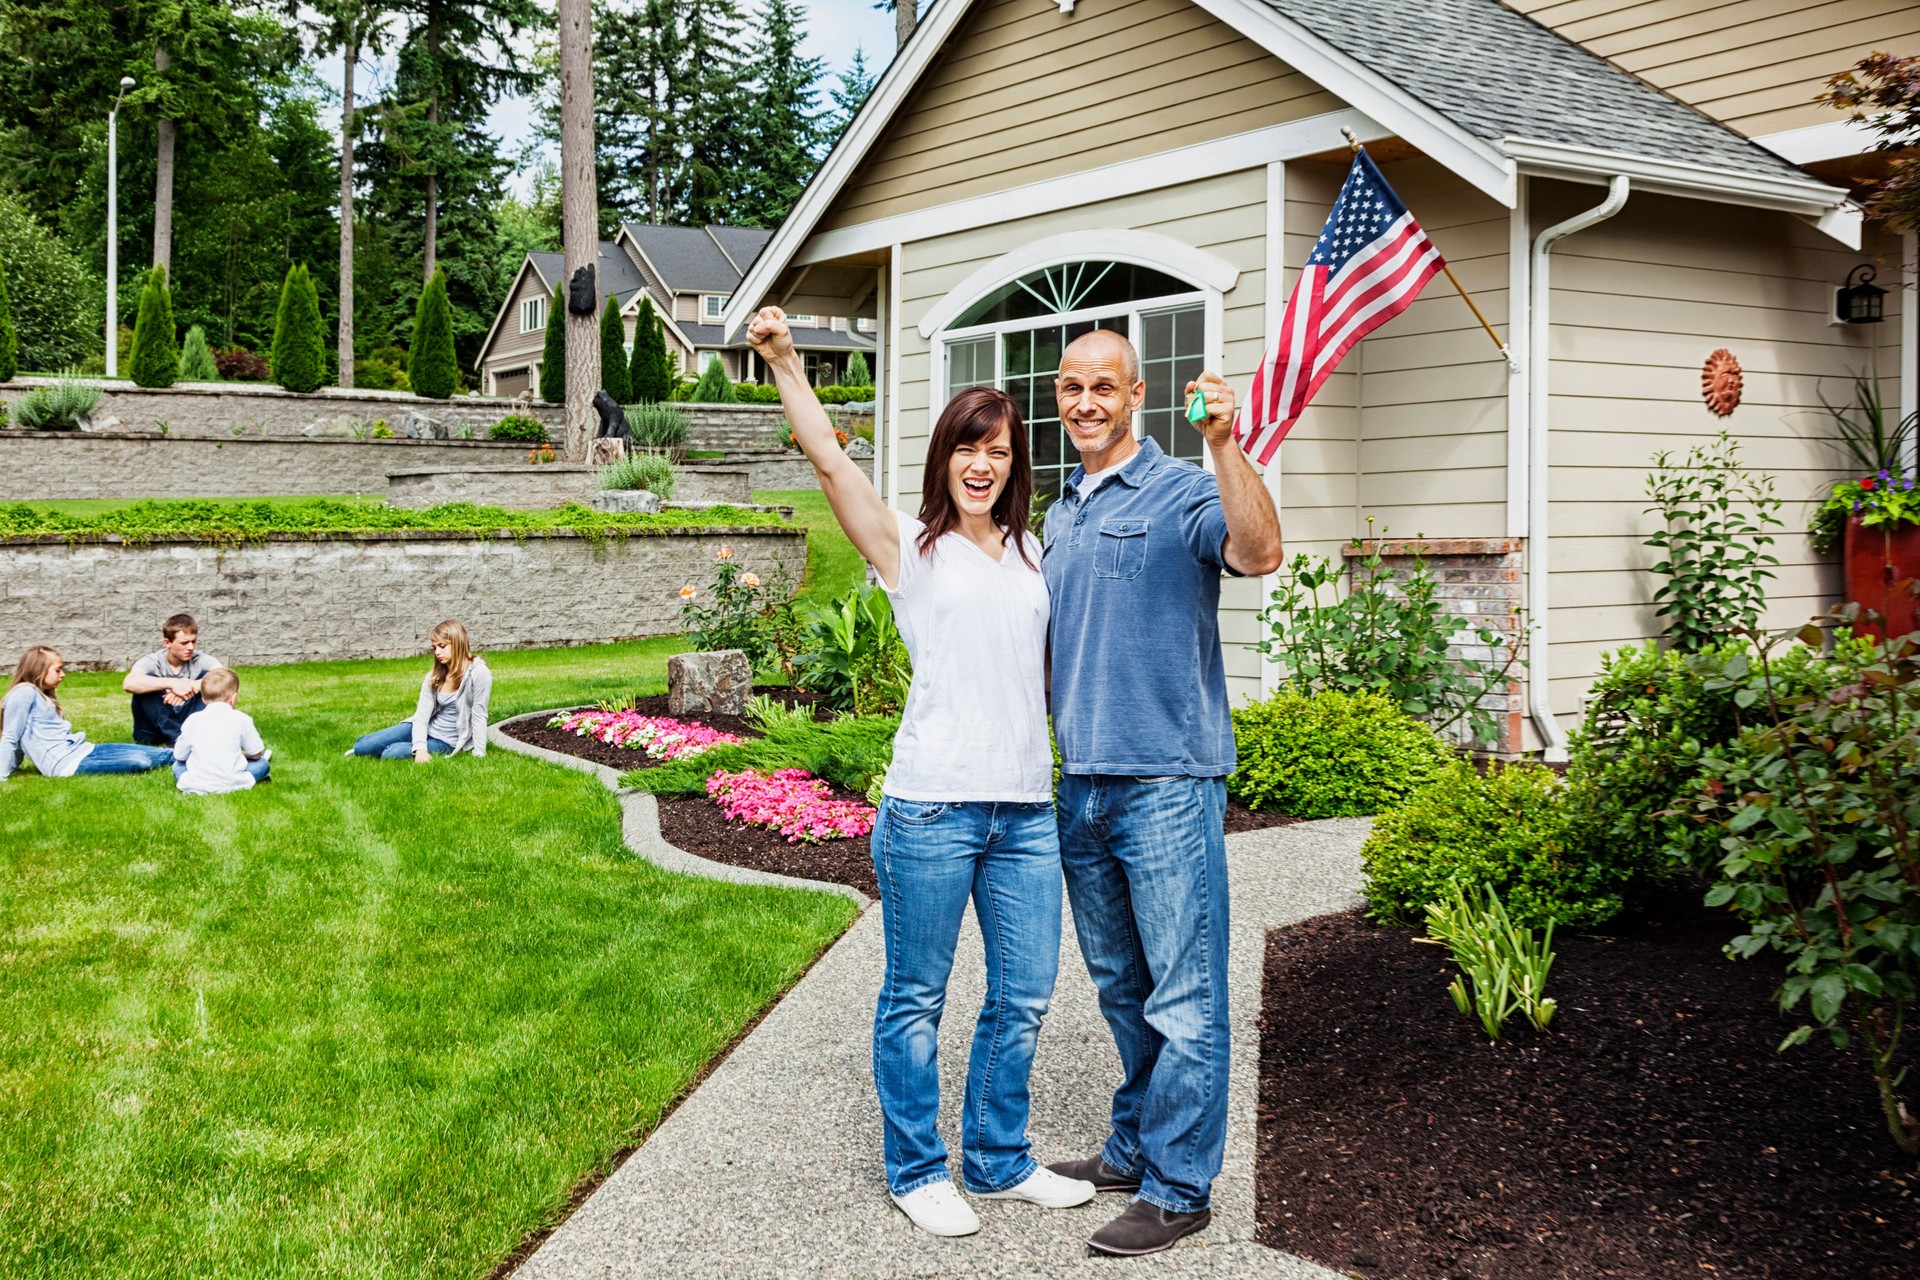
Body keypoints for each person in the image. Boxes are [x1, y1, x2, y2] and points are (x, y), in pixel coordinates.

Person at [746, 306, 1095, 1238]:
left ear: (1017, 465)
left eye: (1002, 452)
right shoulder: (910, 548)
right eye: (968, 448)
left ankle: (998, 1158)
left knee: (1022, 993)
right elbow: (828, 460)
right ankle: (917, 1168)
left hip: (1024, 810)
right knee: (918, 996)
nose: (984, 464)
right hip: (933, 806)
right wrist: (785, 362)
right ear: (945, 457)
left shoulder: (1032, 553)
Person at [1040, 329, 1283, 1258]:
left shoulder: (1184, 488)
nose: (1087, 401)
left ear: (1135, 395)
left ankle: (1181, 1187)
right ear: (1058, 396)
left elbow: (1259, 554)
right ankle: (1136, 1147)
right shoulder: (1060, 512)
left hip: (1167, 784)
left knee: (1186, 995)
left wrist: (1226, 441)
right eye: (1072, 386)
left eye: (1105, 386)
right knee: (1121, 988)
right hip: (1083, 786)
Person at [1, 646, 177, 780]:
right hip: (65, 764)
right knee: (141, 762)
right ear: (38, 670)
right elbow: (11, 736)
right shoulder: (23, 693)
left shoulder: (41, 694)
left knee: (162, 754)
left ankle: (197, 753)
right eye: (57, 669)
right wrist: (3, 774)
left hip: (84, 750)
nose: (62, 675)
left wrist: (14, 766)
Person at [349, 620, 492, 761]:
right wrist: (420, 748)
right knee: (362, 747)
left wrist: (479, 753)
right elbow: (421, 717)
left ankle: (391, 749)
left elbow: (479, 714)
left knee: (391, 753)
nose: (437, 652)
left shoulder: (478, 673)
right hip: (425, 728)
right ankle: (387, 747)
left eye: (442, 646)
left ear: (458, 643)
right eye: (434, 648)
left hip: (446, 741)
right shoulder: (434, 677)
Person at [123, 613, 224, 746]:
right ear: (167, 643)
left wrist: (191, 686)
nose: (191, 647)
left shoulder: (201, 660)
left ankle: (179, 741)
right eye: (184, 643)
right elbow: (129, 683)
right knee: (147, 683)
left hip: (189, 724)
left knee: (209, 679)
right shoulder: (153, 661)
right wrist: (173, 683)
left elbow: (226, 678)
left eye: (193, 641)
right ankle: (179, 741)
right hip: (154, 732)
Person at [172, 667, 271, 794]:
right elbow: (256, 754)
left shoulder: (192, 720)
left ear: (202, 699)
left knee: (177, 766)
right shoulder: (242, 719)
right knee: (262, 764)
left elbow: (179, 756)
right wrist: (242, 755)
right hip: (233, 781)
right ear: (233, 698)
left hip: (197, 783)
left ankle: (195, 783)